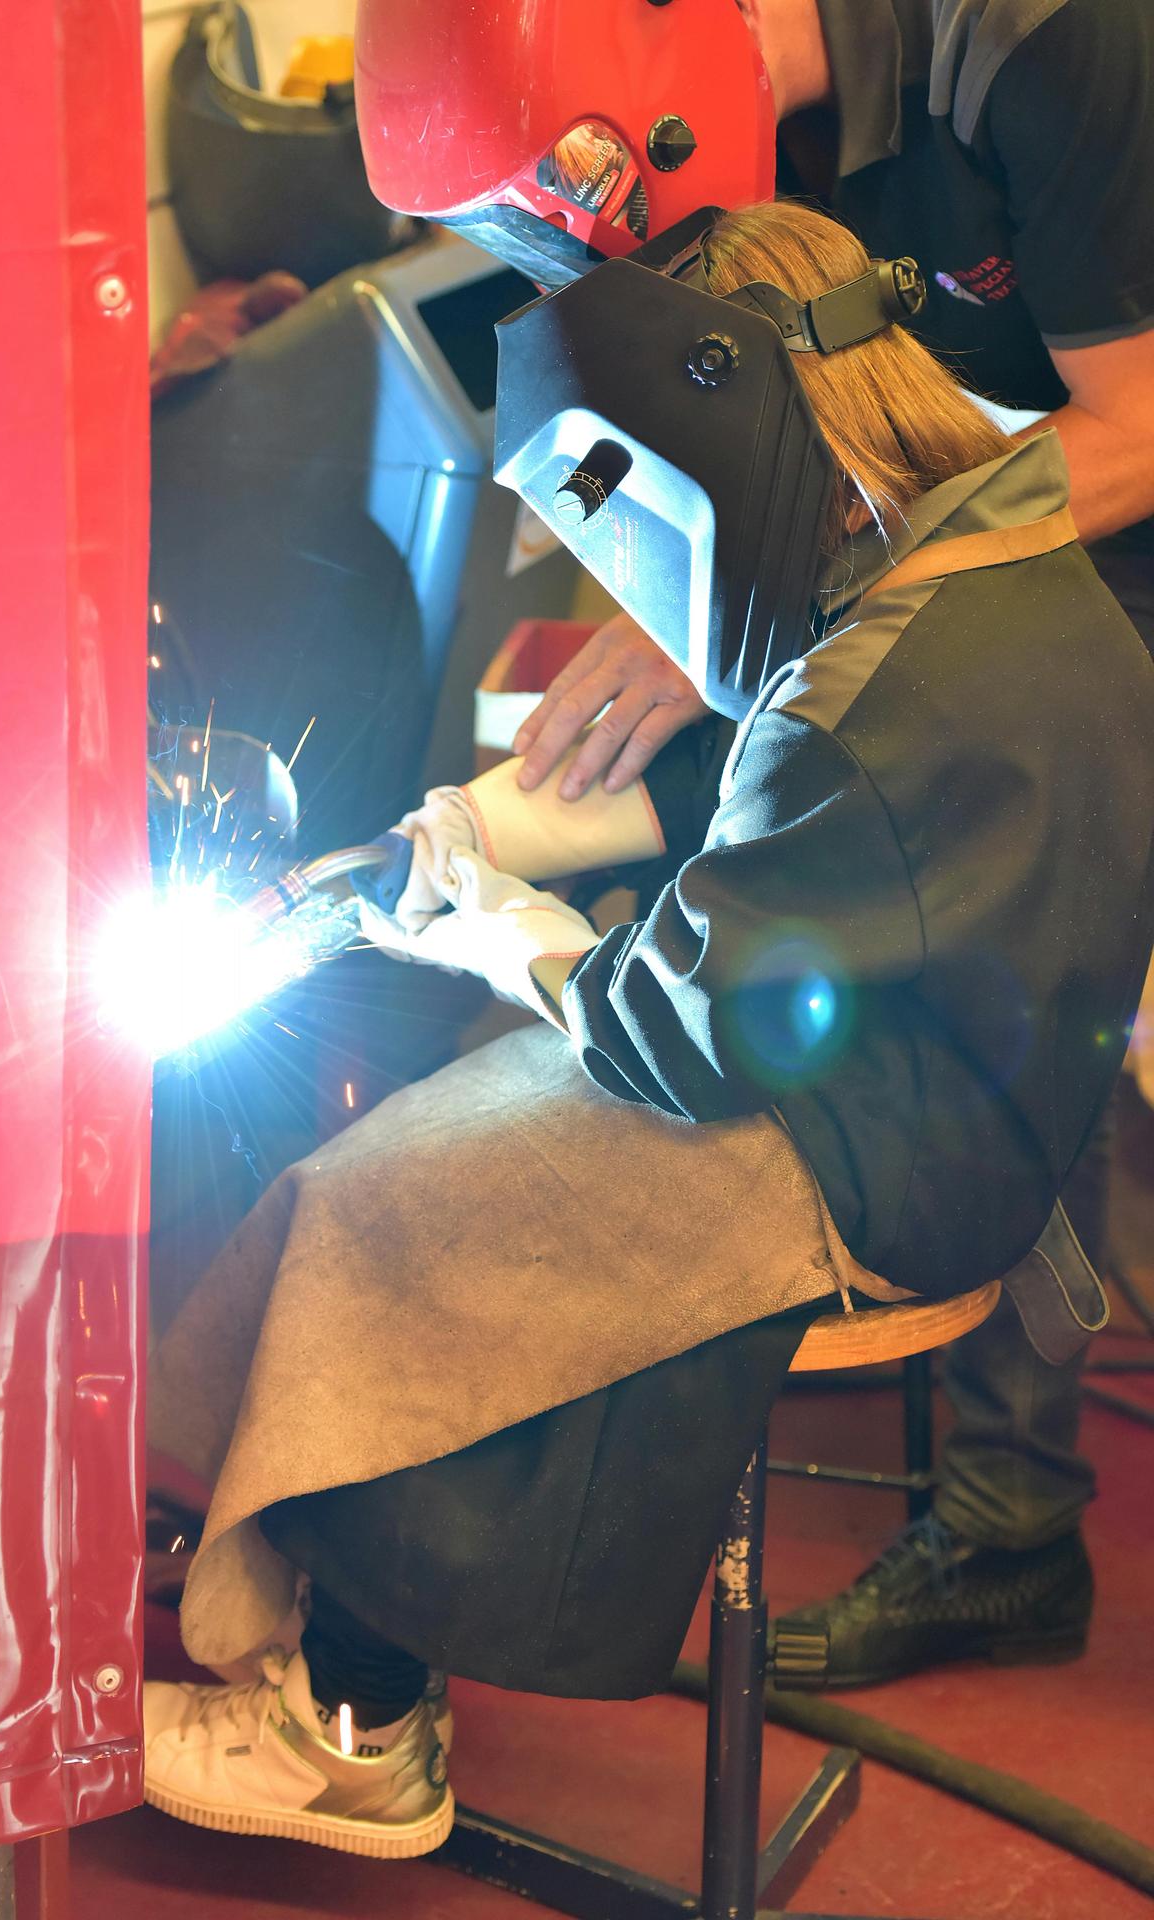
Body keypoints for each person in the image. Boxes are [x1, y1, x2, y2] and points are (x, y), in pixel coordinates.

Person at [141, 199, 1154, 1860]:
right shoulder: (973, 536)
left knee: (393, 1207)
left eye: (622, 509)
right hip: (944, 1068)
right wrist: (456, 837)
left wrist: (490, 928)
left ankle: (354, 1728)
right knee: (456, 1115)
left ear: (722, 418)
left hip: (890, 1157)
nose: (626, 576)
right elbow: (730, 777)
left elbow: (652, 1029)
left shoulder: (878, 715)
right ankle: (290, 1553)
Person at [354, 0, 1154, 1687]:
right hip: (922, 553)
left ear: (643, 116)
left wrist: (781, 614)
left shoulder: (1054, 47)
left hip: (1085, 526)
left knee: (1002, 980)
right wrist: (712, 599)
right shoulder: (750, 147)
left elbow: (1133, 423)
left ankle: (1009, 1528)